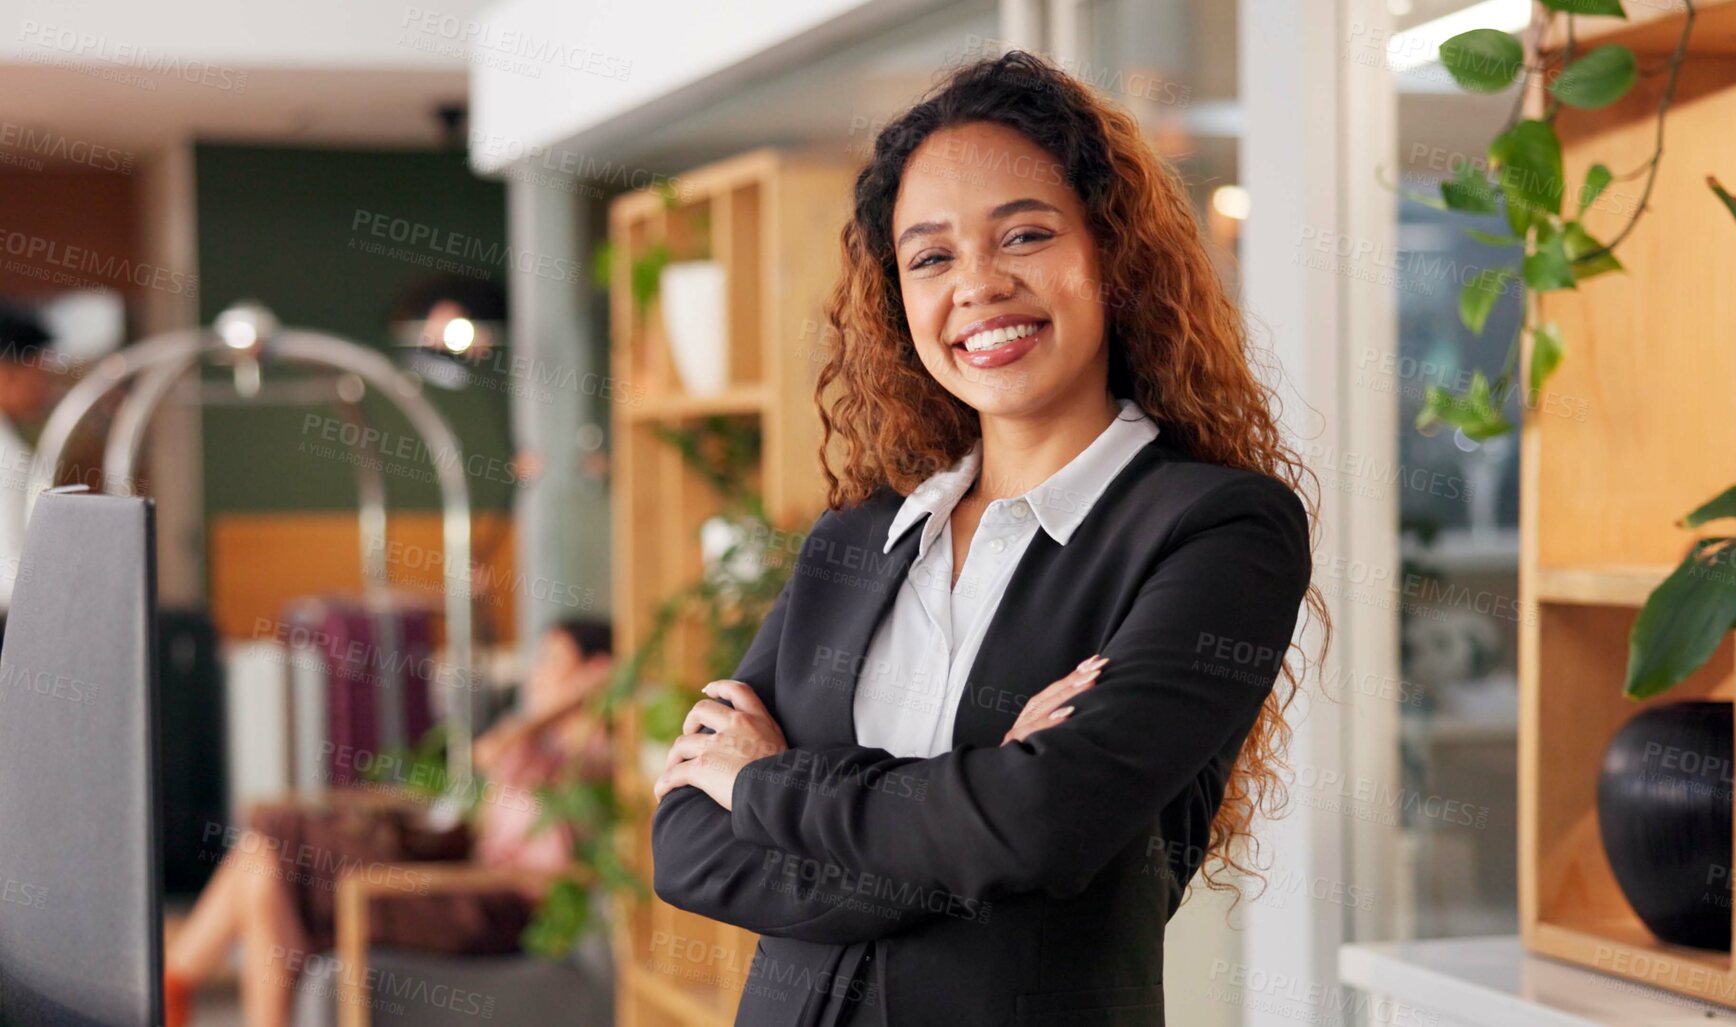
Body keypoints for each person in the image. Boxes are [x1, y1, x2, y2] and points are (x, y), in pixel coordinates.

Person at [649, 52, 1319, 1027]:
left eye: (1026, 234)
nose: (979, 284)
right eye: (930, 256)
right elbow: (689, 845)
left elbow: (1043, 824)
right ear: (897, 298)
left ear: (1113, 254)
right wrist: (970, 815)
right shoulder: (860, 536)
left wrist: (761, 781)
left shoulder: (1216, 529)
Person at [163, 619, 616, 1027]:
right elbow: (490, 754)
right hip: (462, 885)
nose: (537, 674)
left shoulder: (600, 750)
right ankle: (173, 983)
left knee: (278, 835)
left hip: (495, 908)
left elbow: (499, 752)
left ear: (597, 670)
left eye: (553, 660)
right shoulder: (541, 739)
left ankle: (172, 983)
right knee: (262, 866)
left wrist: (583, 697)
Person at [0, 304, 60, 616]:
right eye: (40, 376)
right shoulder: (8, 456)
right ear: (7, 373)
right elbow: (11, 569)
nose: (47, 390)